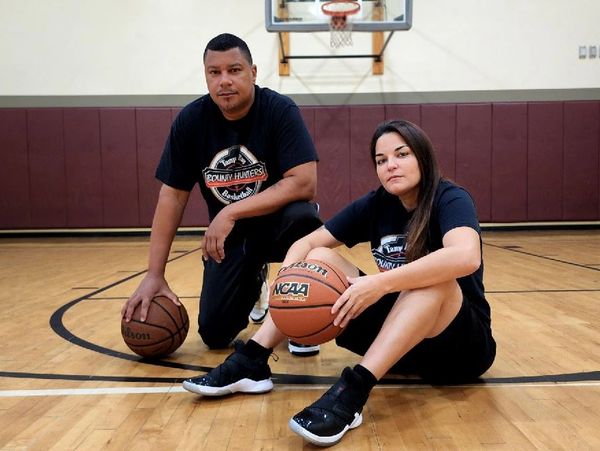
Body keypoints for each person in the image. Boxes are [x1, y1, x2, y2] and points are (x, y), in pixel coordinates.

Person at [182, 119, 497, 447]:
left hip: (460, 350)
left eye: (401, 155)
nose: (391, 165)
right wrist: (286, 279)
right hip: (403, 349)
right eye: (381, 160)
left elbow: (465, 256)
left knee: (433, 283)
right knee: (318, 257)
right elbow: (305, 244)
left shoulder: (450, 197)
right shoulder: (377, 204)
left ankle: (354, 390)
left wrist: (380, 283)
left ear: (423, 157)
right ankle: (252, 360)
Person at [121, 33, 322, 356]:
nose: (224, 81)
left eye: (234, 70)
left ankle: (301, 313)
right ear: (206, 77)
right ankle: (256, 280)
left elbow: (303, 182)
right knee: (215, 334)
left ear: (253, 73)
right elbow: (172, 196)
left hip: (277, 226)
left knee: (304, 217)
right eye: (214, 73)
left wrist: (230, 211)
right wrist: (154, 274)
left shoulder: (279, 110)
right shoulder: (191, 121)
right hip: (231, 239)